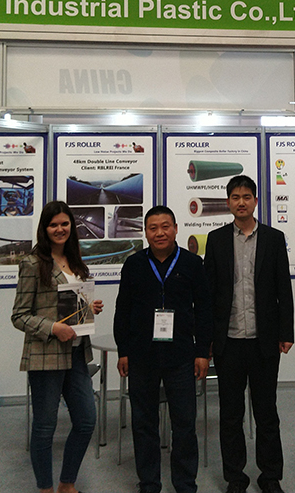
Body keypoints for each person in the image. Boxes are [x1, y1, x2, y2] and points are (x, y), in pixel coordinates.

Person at [203, 175, 294, 493]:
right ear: (227, 202)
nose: (241, 202)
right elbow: (209, 293)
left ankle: (270, 476)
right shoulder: (216, 240)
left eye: (246, 197)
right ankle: (235, 477)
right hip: (228, 341)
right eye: (235, 197)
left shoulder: (273, 238)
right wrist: (207, 339)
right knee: (231, 414)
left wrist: (286, 331)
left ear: (255, 201)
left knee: (266, 411)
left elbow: (283, 287)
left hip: (263, 340)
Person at [113, 205, 211, 493]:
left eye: (165, 226)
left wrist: (202, 352)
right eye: (153, 228)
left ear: (176, 229)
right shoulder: (134, 264)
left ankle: (185, 483)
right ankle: (149, 482)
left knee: (185, 423)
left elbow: (204, 310)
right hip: (141, 355)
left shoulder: (192, 263)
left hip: (181, 355)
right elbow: (123, 310)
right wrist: (123, 350)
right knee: (143, 423)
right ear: (145, 232)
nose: (159, 233)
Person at [11, 200, 104, 493]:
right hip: (46, 355)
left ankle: (67, 484)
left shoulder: (76, 261)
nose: (60, 229)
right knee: (44, 427)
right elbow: (19, 316)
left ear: (72, 226)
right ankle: (46, 489)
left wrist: (89, 308)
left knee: (86, 420)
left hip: (76, 353)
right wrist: (53, 328)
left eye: (65, 224)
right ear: (45, 228)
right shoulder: (32, 263)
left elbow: (70, 306)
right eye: (54, 225)